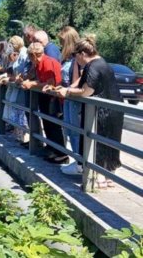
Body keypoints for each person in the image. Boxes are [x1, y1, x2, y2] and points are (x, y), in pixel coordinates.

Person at [56, 35, 124, 184]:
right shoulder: (102, 63)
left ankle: (96, 177)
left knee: (97, 143)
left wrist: (66, 92)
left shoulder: (92, 66)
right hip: (114, 109)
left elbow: (87, 91)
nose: (76, 60)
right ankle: (108, 176)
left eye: (75, 56)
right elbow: (83, 82)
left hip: (102, 112)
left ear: (82, 54)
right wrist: (69, 88)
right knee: (110, 142)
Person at [22, 42, 68, 164]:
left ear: (34, 55)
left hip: (54, 98)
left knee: (54, 124)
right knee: (47, 123)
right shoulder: (38, 63)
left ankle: (61, 153)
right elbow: (40, 79)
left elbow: (51, 83)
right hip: (46, 97)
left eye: (30, 57)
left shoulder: (47, 62)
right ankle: (52, 148)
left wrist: (32, 84)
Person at [56, 26, 82, 172]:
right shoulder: (66, 58)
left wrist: (68, 88)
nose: (60, 44)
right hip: (66, 96)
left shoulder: (78, 57)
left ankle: (79, 163)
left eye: (62, 41)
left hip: (72, 97)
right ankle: (76, 160)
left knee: (75, 130)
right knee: (69, 129)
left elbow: (80, 78)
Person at [8, 36, 30, 143]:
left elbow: (26, 70)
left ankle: (25, 136)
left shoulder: (24, 52)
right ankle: (19, 135)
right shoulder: (20, 53)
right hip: (18, 87)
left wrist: (19, 78)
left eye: (11, 44)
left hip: (22, 87)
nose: (11, 47)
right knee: (17, 110)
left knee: (22, 112)